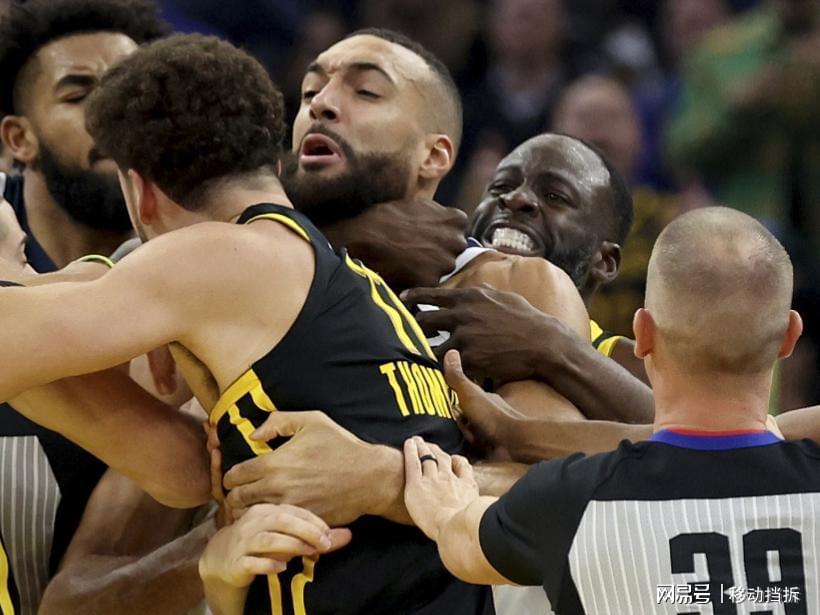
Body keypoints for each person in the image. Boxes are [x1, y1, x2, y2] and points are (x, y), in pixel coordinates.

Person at [0, 33, 492, 615]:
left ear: (140, 192)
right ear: (275, 164)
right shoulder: (346, 281)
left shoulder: (219, 260)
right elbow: (184, 472)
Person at [402, 207, 818, 614]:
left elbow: (461, 542)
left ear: (642, 334)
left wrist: (446, 508)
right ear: (790, 336)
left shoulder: (566, 498)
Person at [0, 2, 183, 612]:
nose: (114, 116)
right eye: (80, 95)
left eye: (134, 95)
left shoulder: (204, 251)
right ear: (18, 138)